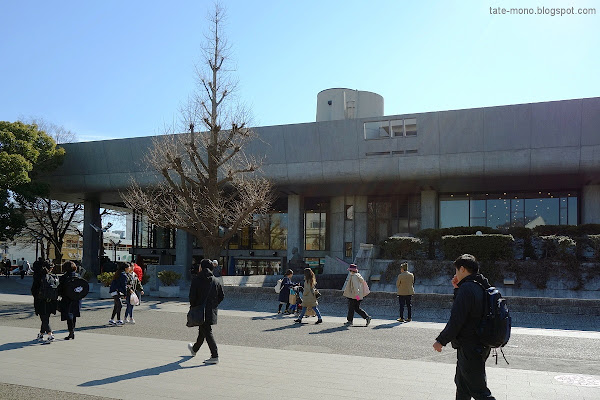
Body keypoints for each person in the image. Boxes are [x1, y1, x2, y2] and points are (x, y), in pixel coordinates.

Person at [433, 254, 496, 400]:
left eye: (456, 271)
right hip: (479, 344)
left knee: (479, 391)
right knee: (462, 386)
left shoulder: (467, 288)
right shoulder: (480, 286)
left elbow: (457, 319)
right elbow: (467, 311)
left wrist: (441, 340)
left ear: (462, 269)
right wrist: (457, 289)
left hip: (470, 345)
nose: (455, 274)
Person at [187, 259, 224, 365]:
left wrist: (194, 306)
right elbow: (222, 296)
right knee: (203, 330)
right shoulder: (216, 281)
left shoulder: (197, 280)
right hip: (210, 310)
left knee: (207, 331)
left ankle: (215, 355)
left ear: (202, 267)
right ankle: (194, 349)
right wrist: (213, 305)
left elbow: (192, 297)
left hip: (200, 310)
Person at [31, 262, 57, 342]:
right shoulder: (52, 277)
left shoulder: (38, 277)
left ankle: (50, 335)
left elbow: (33, 290)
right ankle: (41, 334)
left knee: (44, 319)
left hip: (40, 301)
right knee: (46, 318)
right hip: (50, 301)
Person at [58, 261, 82, 340]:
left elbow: (60, 289)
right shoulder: (78, 276)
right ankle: (72, 331)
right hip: (77, 298)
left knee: (69, 316)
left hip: (67, 299)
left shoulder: (63, 277)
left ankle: (71, 332)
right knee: (74, 315)